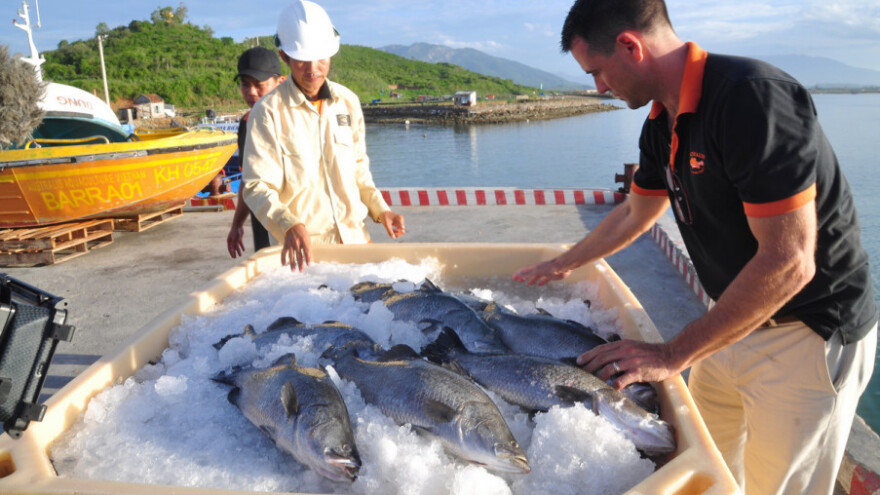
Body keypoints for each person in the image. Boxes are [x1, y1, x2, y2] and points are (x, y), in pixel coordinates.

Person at [513, 1, 878, 494]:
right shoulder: (660, 124)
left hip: (806, 333)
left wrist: (672, 353)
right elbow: (634, 212)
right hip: (730, 320)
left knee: (781, 486)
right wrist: (564, 262)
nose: (598, 88)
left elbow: (790, 260)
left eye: (597, 72)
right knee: (702, 469)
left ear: (630, 45)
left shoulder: (751, 99)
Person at [241, 0, 405, 271]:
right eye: (303, 60)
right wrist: (288, 223)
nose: (313, 68)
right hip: (303, 255)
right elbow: (256, 186)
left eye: (321, 58)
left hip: (355, 243)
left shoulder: (347, 102)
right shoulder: (267, 112)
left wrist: (381, 210)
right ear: (284, 57)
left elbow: (358, 168)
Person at [226, 46, 286, 258]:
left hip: (300, 225)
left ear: (280, 82)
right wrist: (237, 224)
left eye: (259, 85)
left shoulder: (297, 120)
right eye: (245, 84)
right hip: (263, 222)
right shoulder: (247, 122)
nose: (251, 92)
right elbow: (247, 178)